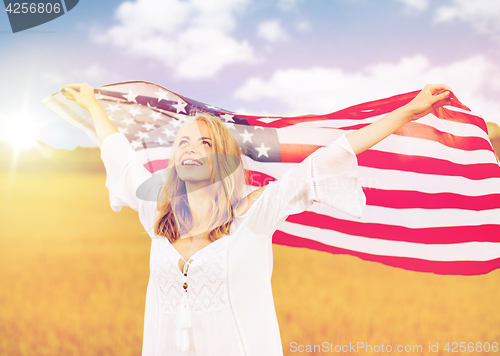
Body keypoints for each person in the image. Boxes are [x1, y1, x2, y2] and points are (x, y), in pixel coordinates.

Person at [61, 82, 452, 356]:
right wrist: (93, 104)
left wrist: (408, 111)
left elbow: (327, 159)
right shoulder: (157, 213)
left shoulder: (253, 214)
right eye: (183, 141)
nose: (190, 149)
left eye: (206, 142)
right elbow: (120, 156)